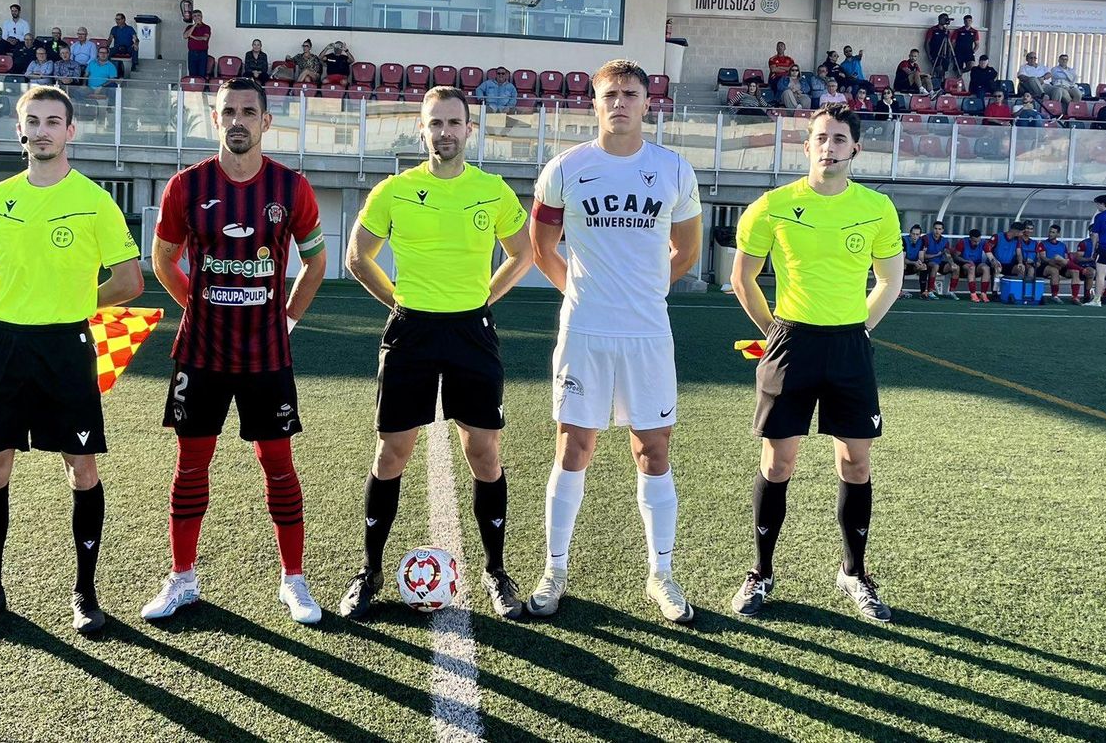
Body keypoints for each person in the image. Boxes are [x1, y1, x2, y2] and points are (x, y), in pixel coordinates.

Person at [0, 84, 143, 636]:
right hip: (3, 343)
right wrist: (7, 297)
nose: (44, 130)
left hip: (65, 348)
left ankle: (85, 594)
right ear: (19, 130)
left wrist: (70, 305)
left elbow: (129, 281)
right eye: (35, 121)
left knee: (82, 467)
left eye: (55, 121)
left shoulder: (95, 201)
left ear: (71, 132)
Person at [339, 86, 533, 622]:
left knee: (484, 454)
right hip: (412, 333)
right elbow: (358, 257)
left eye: (454, 122)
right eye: (435, 123)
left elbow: (524, 252)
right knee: (391, 453)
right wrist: (398, 301)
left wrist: (486, 297)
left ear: (469, 130)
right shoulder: (394, 191)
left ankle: (495, 571)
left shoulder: (492, 190)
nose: (444, 132)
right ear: (420, 130)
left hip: (472, 333)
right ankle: (370, 570)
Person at [141, 77, 329, 626]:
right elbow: (163, 259)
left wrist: (289, 317)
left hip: (266, 355)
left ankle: (293, 580)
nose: (239, 120)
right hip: (201, 352)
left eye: (250, 111)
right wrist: (195, 304)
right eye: (229, 112)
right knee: (191, 465)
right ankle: (181, 578)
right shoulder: (186, 187)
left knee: (279, 465)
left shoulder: (292, 189)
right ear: (216, 119)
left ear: (266, 122)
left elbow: (315, 263)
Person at [526, 59, 703, 625]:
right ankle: (554, 570)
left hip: (649, 333)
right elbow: (542, 248)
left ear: (648, 103)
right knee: (572, 447)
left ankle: (662, 574)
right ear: (593, 102)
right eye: (610, 95)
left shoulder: (675, 171)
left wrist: (648, 292)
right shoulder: (565, 168)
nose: (620, 103)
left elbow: (688, 250)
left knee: (653, 450)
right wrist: (580, 294)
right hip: (584, 332)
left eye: (631, 94)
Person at [730, 102, 904, 623]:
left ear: (856, 148)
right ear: (806, 145)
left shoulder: (877, 207)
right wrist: (774, 333)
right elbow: (743, 278)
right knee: (778, 462)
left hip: (849, 347)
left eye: (839, 138)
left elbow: (889, 280)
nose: (829, 147)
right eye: (821, 137)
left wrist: (860, 328)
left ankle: (854, 572)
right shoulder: (773, 205)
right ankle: (761, 573)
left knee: (856, 460)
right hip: (791, 344)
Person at [986, 222, 1029, 293]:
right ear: (1016, 231)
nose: (1022, 234)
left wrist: (1020, 263)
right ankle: (995, 293)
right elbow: (987, 249)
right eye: (1022, 232)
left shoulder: (1017, 240)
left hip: (1009, 264)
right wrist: (994, 261)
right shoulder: (997, 237)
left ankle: (1016, 292)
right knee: (997, 268)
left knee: (1021, 269)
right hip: (996, 264)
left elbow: (1019, 253)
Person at [1035, 225, 1073, 303]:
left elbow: (1066, 258)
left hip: (1061, 266)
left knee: (1075, 272)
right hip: (1046, 266)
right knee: (1054, 270)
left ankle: (1076, 296)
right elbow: (1043, 258)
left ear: (1058, 234)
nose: (1050, 234)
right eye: (1050, 232)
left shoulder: (1062, 245)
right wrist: (1053, 263)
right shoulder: (1043, 244)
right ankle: (1054, 295)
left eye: (1053, 232)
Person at [953, 228, 991, 302]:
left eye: (978, 241)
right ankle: (973, 294)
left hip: (977, 265)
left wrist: (995, 262)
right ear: (970, 238)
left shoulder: (983, 242)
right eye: (974, 241)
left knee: (986, 268)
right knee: (971, 267)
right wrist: (967, 261)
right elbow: (956, 256)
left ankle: (983, 294)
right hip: (965, 265)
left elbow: (990, 255)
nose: (977, 243)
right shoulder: (962, 242)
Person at [921, 220, 955, 299]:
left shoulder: (945, 241)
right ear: (933, 229)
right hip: (928, 262)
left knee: (956, 268)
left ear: (942, 230)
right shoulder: (925, 238)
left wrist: (952, 263)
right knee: (935, 266)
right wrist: (936, 255)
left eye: (939, 229)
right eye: (936, 228)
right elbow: (923, 256)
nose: (937, 231)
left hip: (940, 263)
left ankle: (951, 292)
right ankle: (930, 291)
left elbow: (947, 254)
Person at [902, 224, 932, 299]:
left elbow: (921, 256)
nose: (915, 236)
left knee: (924, 266)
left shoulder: (921, 241)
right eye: (913, 234)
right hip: (904, 265)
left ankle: (923, 292)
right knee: (902, 265)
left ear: (920, 235)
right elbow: (902, 259)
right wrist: (914, 262)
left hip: (914, 265)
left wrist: (920, 262)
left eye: (917, 234)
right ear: (910, 234)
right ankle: (899, 291)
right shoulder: (904, 240)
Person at [924, 13, 956, 78]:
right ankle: (936, 85)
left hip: (945, 54)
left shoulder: (946, 31)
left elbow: (949, 44)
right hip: (935, 53)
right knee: (938, 70)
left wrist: (949, 55)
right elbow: (927, 43)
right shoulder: (933, 29)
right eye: (944, 19)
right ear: (940, 19)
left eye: (946, 19)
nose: (945, 20)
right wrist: (929, 56)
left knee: (943, 71)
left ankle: (941, 85)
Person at [185, 9, 212, 78]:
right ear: (192, 18)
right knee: (192, 74)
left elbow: (204, 38)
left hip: (202, 54)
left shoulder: (206, 27)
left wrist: (192, 36)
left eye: (198, 15)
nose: (197, 17)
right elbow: (185, 36)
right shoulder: (189, 27)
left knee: (202, 74)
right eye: (194, 16)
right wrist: (194, 25)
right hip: (192, 53)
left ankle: (201, 88)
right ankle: (193, 88)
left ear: (201, 17)